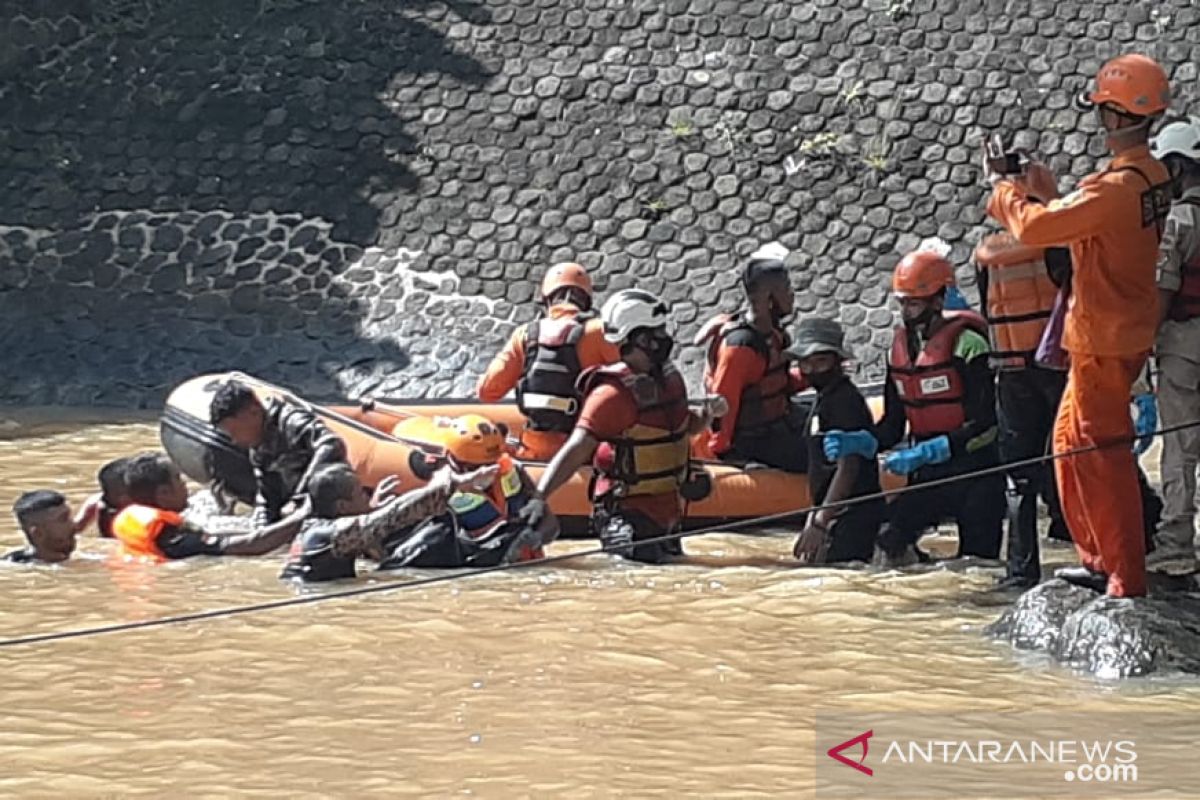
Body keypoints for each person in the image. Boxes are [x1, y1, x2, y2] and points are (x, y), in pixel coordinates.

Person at [987, 52, 1172, 597]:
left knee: (1100, 452)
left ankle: (1123, 575)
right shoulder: (1147, 176)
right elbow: (1084, 224)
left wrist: (1006, 193)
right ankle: (1098, 557)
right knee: (1070, 444)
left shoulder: (1117, 188)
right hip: (1109, 333)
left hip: (1105, 337)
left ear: (1116, 117)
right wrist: (1042, 190)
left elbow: (1041, 227)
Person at [825, 251, 1005, 566]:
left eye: (914, 303)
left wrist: (940, 447)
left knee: (978, 565)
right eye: (903, 303)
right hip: (928, 474)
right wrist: (864, 440)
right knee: (889, 539)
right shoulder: (898, 353)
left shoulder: (969, 345)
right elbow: (893, 426)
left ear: (938, 301)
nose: (907, 312)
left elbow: (987, 419)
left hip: (976, 471)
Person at [528, 288, 726, 563]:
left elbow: (682, 428)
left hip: (668, 513)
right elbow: (576, 449)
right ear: (637, 338)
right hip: (626, 518)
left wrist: (706, 415)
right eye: (655, 333)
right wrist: (539, 497)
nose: (664, 339)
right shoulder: (612, 394)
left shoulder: (670, 379)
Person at [974, 232, 1070, 588]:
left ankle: (1019, 570)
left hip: (1011, 369)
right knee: (1075, 459)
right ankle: (1097, 551)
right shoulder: (1057, 240)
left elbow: (987, 306)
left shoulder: (984, 253)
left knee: (1018, 477)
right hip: (1057, 366)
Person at [476, 262, 620, 460]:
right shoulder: (598, 332)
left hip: (533, 453)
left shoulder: (525, 335)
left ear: (547, 299)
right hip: (584, 453)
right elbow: (634, 386)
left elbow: (486, 392)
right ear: (585, 300)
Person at [280, 461, 501, 582]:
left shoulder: (315, 526)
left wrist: (371, 507)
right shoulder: (329, 534)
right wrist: (448, 485)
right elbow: (392, 516)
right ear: (342, 507)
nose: (367, 496)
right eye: (360, 494)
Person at [697, 242, 808, 471]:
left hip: (777, 422)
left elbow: (778, 385)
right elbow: (722, 406)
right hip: (753, 440)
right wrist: (724, 452)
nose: (792, 295)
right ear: (769, 299)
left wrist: (817, 374)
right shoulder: (741, 348)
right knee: (820, 452)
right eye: (786, 289)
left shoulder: (772, 334)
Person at [1146, 116, 1200, 574]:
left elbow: (1164, 288)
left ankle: (1177, 542)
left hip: (1184, 344)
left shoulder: (1180, 220)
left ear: (1179, 168)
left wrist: (1144, 340)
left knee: (1180, 444)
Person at [789, 318, 884, 565]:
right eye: (806, 363)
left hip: (853, 516)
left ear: (837, 362)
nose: (812, 369)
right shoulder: (824, 399)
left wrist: (820, 524)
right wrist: (815, 518)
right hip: (833, 514)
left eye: (821, 361)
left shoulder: (844, 401)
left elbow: (848, 467)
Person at [111, 452, 309, 561]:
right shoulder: (174, 539)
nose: (185, 484)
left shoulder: (137, 522)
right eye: (178, 479)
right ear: (163, 493)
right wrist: (302, 514)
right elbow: (249, 546)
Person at [209, 380, 348, 529]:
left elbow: (331, 444)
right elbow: (267, 496)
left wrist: (298, 497)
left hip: (332, 502)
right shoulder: (258, 449)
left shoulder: (291, 422)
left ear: (254, 411)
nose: (234, 440)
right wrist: (260, 529)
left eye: (235, 432)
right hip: (300, 511)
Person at [4, 490, 98, 564]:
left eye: (69, 517)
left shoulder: (90, 558)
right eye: (63, 520)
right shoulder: (15, 568)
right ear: (38, 533)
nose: (73, 525)